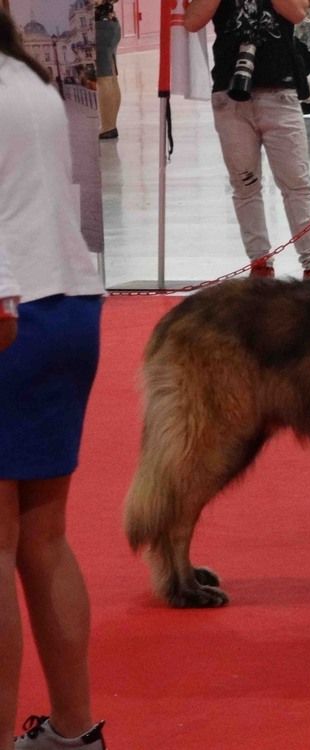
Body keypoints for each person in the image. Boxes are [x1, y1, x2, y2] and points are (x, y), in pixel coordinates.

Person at [0, 10, 107, 748]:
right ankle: (74, 732)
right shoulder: (29, 78)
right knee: (44, 538)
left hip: (11, 312)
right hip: (68, 303)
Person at [183, 0, 310, 281]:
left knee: (295, 182)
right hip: (230, 93)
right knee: (245, 184)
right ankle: (260, 265)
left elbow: (296, 12)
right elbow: (192, 21)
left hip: (280, 90)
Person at [94, 0, 121, 140]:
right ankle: (110, 126)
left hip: (100, 25)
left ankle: (107, 127)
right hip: (109, 22)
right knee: (111, 77)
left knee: (104, 78)